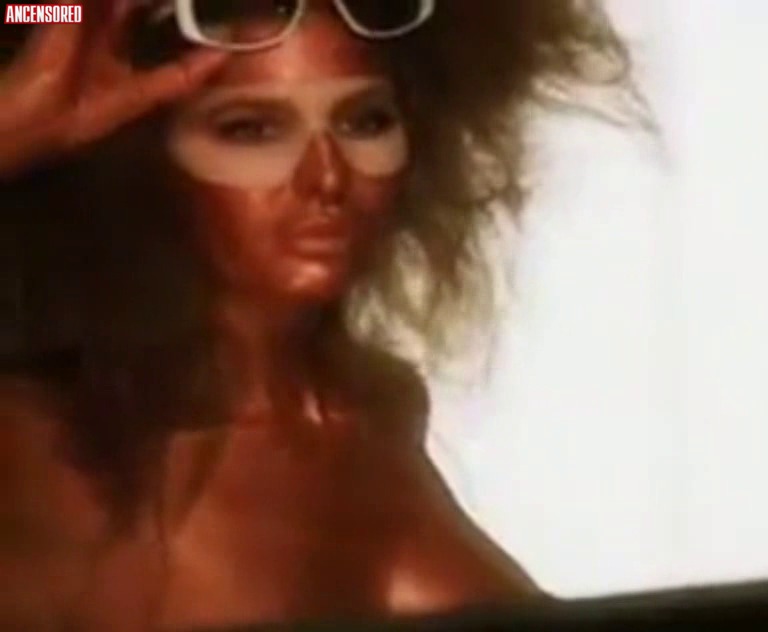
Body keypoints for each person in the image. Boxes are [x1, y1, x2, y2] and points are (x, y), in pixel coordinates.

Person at [0, 0, 639, 629]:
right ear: (136, 162)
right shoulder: (45, 441)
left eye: (364, 120)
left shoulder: (370, 411)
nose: (327, 177)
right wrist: (38, 62)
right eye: (252, 128)